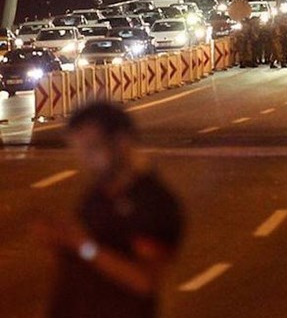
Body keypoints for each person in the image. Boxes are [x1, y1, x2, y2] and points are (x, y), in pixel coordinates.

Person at [35, 102, 184, 318]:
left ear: (121, 142)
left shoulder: (153, 202)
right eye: (80, 150)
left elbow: (145, 280)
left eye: (92, 148)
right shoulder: (96, 196)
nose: (85, 159)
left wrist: (82, 245)